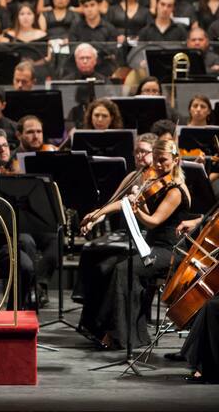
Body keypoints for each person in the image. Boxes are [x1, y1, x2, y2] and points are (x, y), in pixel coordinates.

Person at [78, 139, 191, 349]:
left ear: (176, 160)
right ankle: (99, 327)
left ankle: (122, 336)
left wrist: (136, 209)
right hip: (150, 246)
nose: (157, 165)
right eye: (156, 160)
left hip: (170, 251)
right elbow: (123, 203)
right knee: (106, 267)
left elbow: (154, 221)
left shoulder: (176, 190)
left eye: (163, 161)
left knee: (124, 269)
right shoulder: (156, 182)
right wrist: (96, 215)